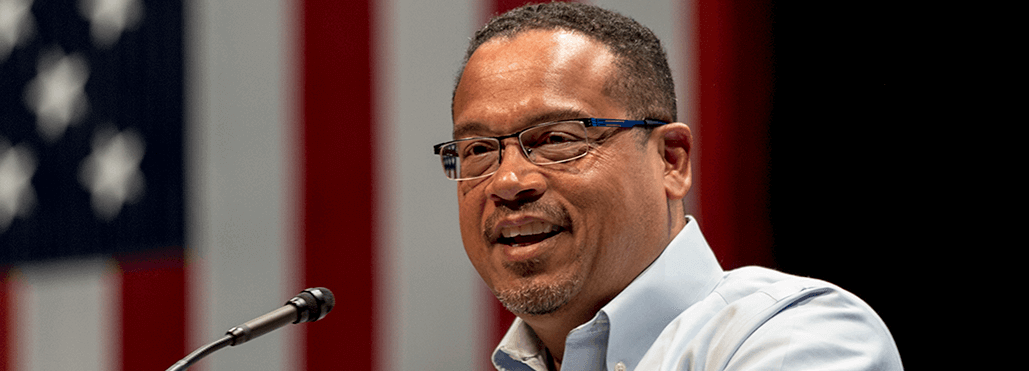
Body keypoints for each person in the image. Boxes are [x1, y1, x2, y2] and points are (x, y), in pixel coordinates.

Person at [432, 2, 902, 370]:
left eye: (557, 139)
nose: (508, 181)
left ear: (670, 160)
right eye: (478, 149)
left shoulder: (804, 337)